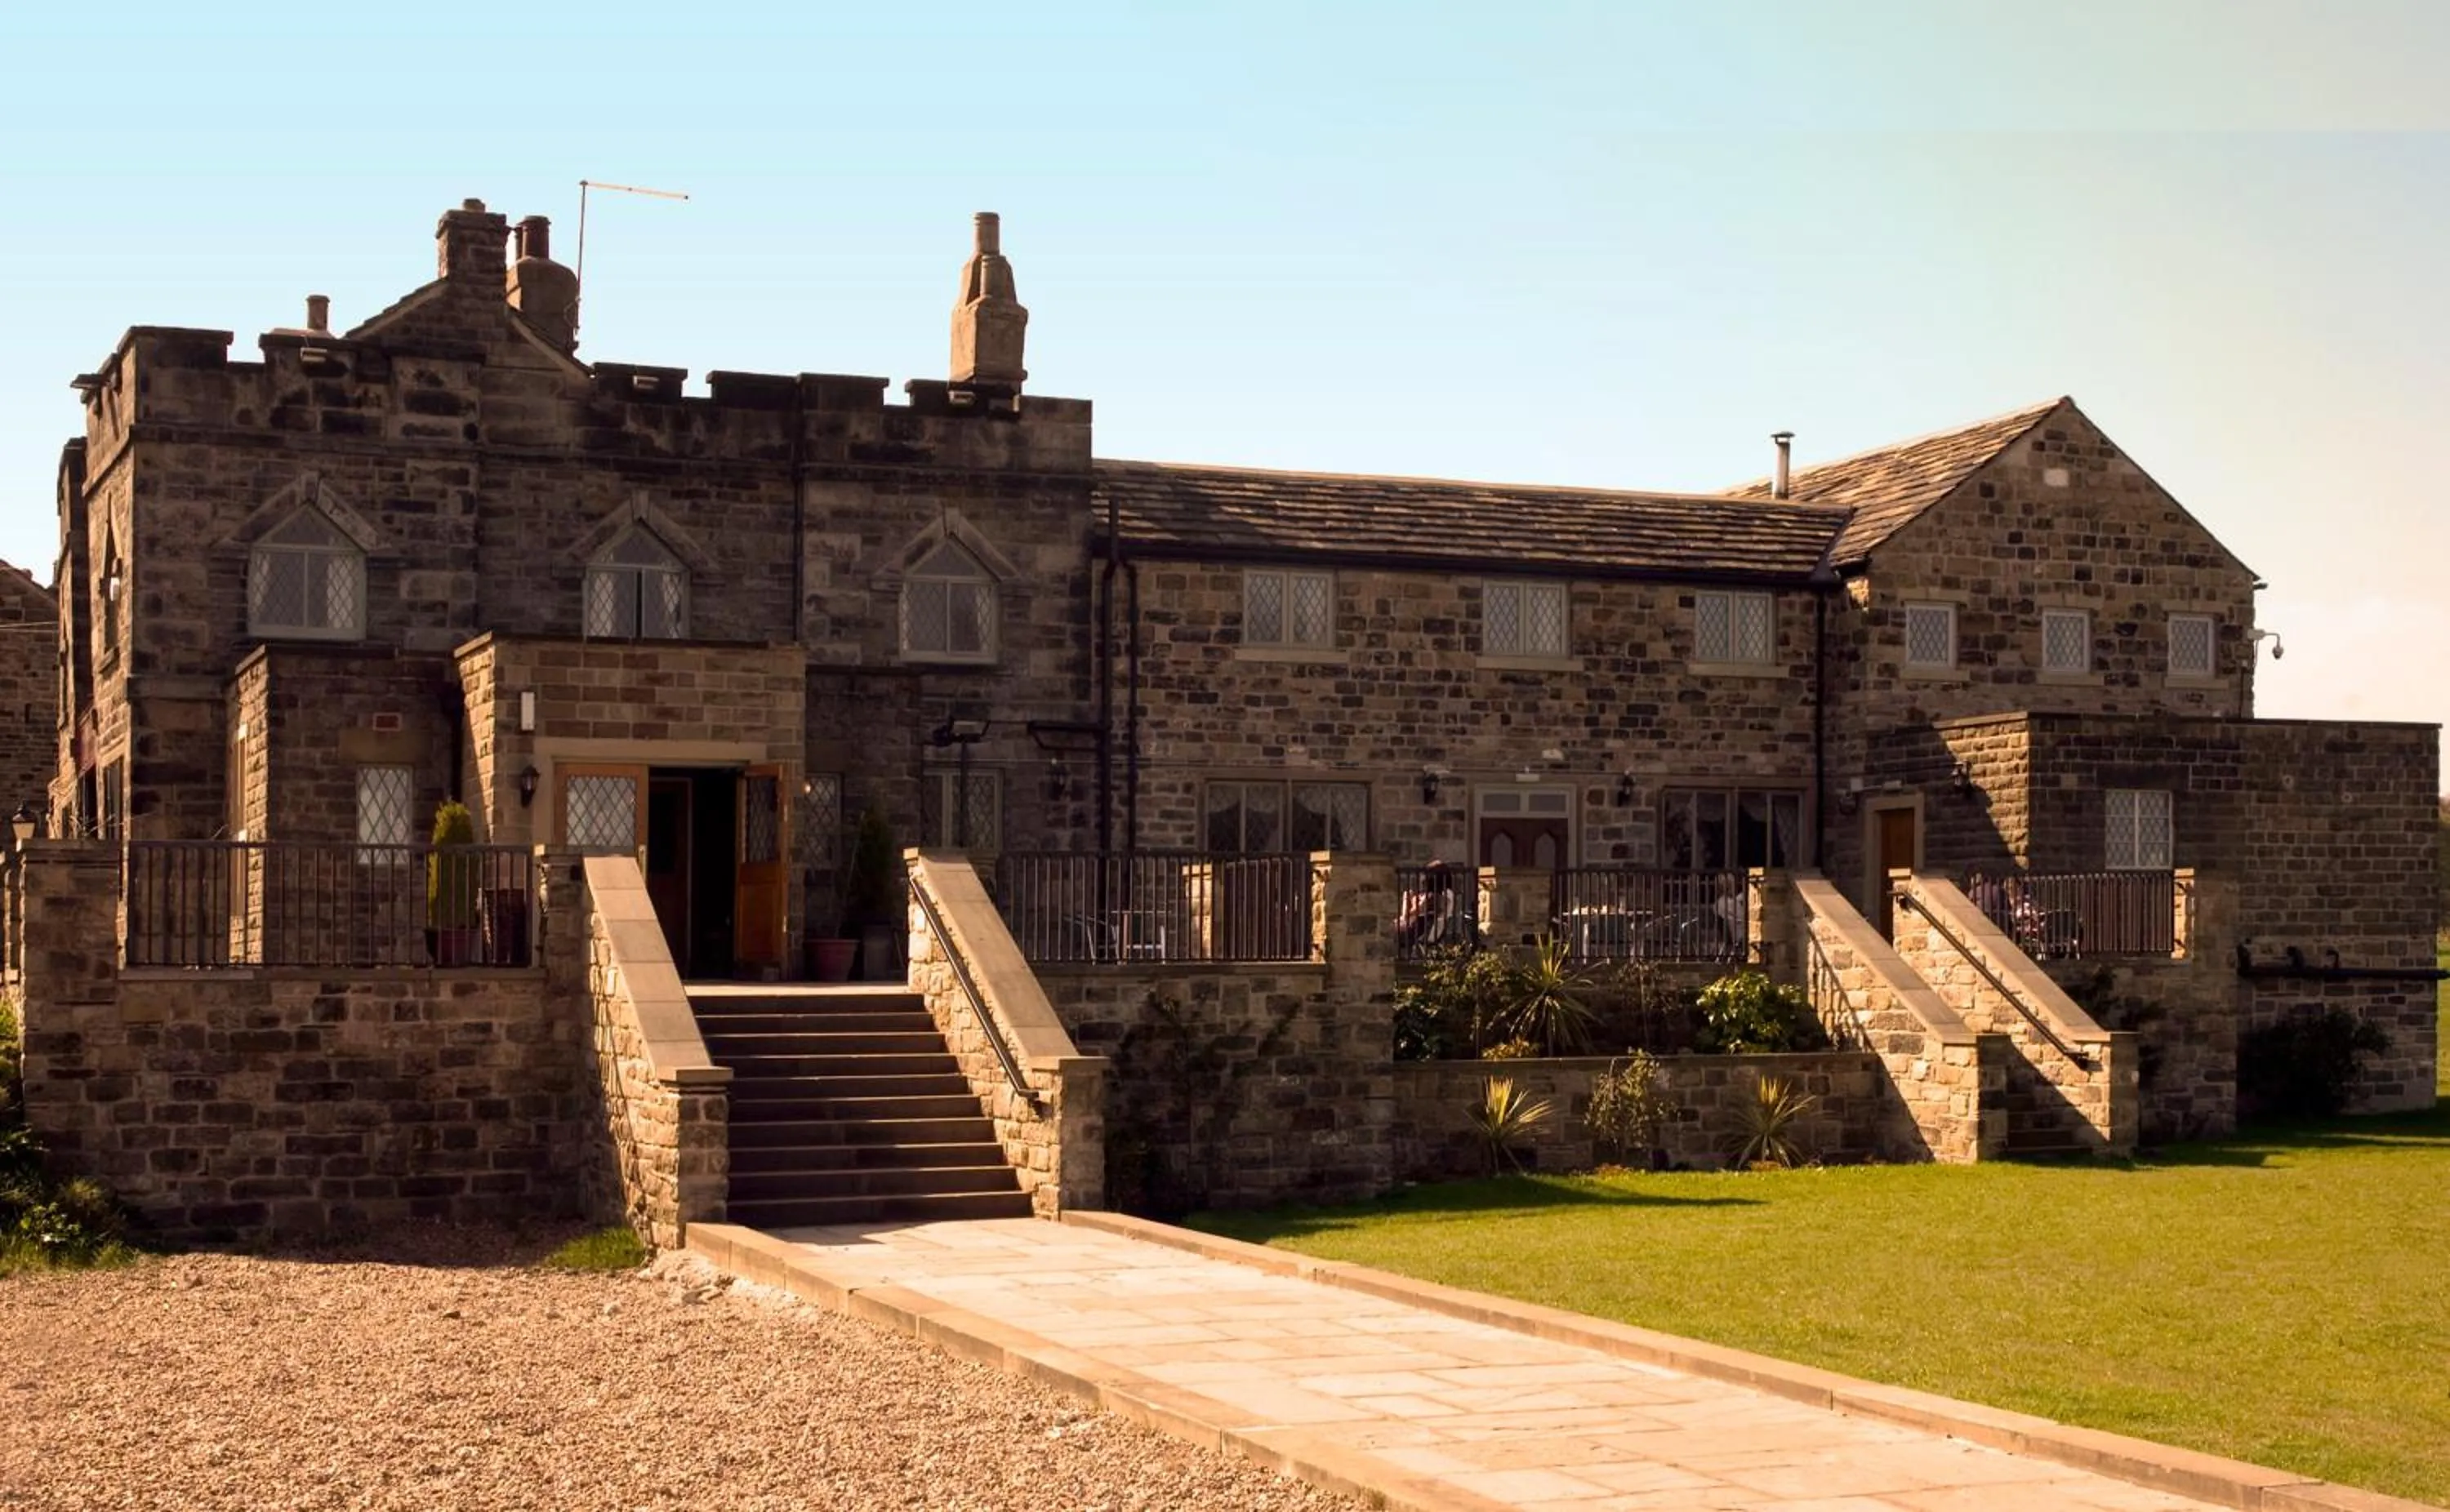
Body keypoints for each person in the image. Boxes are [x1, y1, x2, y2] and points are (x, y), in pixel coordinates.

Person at [1398, 859, 1461, 949]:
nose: (1425, 879)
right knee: (1408, 894)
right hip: (1423, 925)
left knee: (1393, 929)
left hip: (1428, 930)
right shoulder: (1438, 894)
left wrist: (1410, 907)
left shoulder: (1442, 895)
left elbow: (1418, 910)